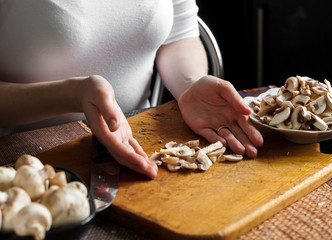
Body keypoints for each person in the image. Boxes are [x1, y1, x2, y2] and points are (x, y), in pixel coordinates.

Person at [0, 0, 263, 179]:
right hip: (22, 168)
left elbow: (179, 35)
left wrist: (189, 83)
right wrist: (71, 96)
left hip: (140, 143)